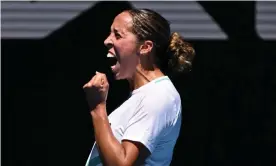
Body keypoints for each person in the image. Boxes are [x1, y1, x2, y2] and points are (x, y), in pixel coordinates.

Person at [83, 8, 195, 166]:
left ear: (145, 47)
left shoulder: (159, 96)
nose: (107, 41)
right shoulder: (145, 96)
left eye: (117, 35)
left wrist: (98, 108)